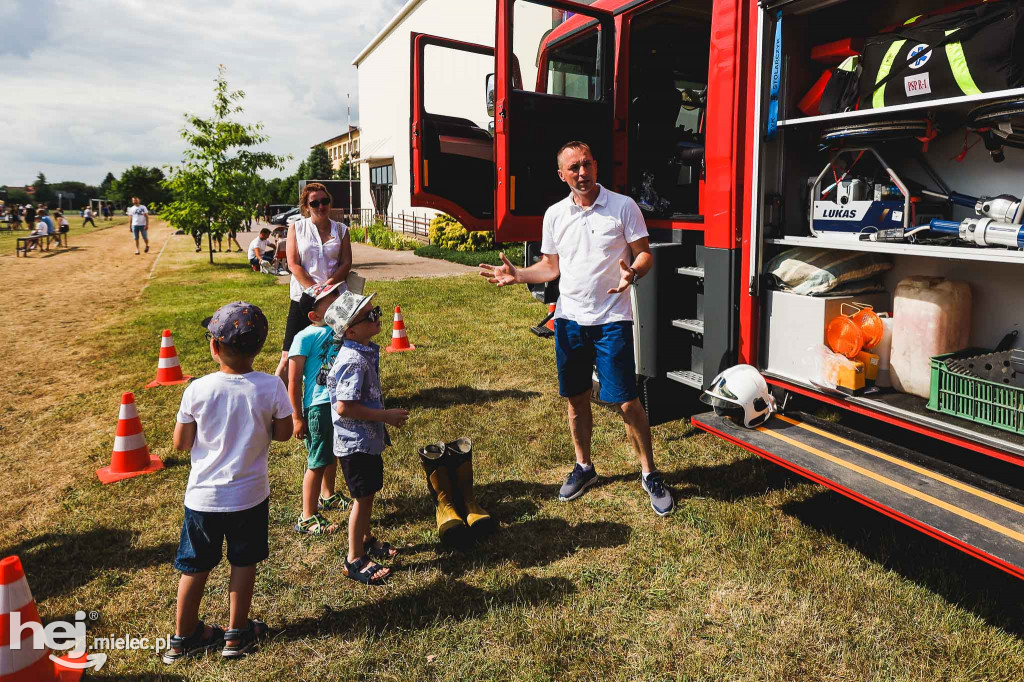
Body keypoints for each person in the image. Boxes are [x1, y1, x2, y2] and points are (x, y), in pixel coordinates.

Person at [479, 140, 675, 517]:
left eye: (586, 165)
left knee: (626, 401)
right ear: (562, 175)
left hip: (611, 320)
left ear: (596, 166)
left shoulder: (623, 206)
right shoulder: (554, 215)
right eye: (573, 168)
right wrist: (519, 275)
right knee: (576, 398)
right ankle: (585, 468)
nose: (581, 173)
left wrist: (633, 272)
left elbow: (645, 252)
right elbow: (550, 266)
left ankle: (649, 472)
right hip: (569, 319)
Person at [164, 302, 292, 664]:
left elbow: (181, 443)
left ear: (214, 347)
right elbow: (283, 434)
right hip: (249, 496)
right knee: (243, 562)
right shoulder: (270, 387)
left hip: (203, 498)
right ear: (259, 347)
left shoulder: (198, 389)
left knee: (195, 565)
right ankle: (236, 634)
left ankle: (183, 636)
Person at [324, 291, 408, 585]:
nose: (377, 317)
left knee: (368, 494)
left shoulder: (363, 351)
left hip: (364, 441)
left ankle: (366, 537)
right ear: (351, 330)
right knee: (362, 498)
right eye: (370, 315)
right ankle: (354, 558)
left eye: (377, 311)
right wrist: (385, 416)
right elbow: (344, 406)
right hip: (355, 444)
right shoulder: (353, 360)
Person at [276, 182, 353, 386]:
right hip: (304, 298)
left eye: (324, 201)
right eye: (315, 202)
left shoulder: (342, 230)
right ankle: (276, 404)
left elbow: (346, 263)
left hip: (336, 298)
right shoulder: (297, 228)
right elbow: (293, 263)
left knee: (340, 349)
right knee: (288, 355)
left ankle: (341, 395)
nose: (320, 206)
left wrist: (328, 286)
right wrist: (315, 289)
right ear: (306, 206)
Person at [288, 282, 348, 535]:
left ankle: (328, 494)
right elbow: (293, 379)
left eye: (336, 296)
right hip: (318, 405)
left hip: (336, 402)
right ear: (314, 315)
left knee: (331, 453)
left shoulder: (339, 328)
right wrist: (297, 417)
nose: (336, 300)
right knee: (318, 460)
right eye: (329, 300)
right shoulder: (304, 337)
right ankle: (307, 515)